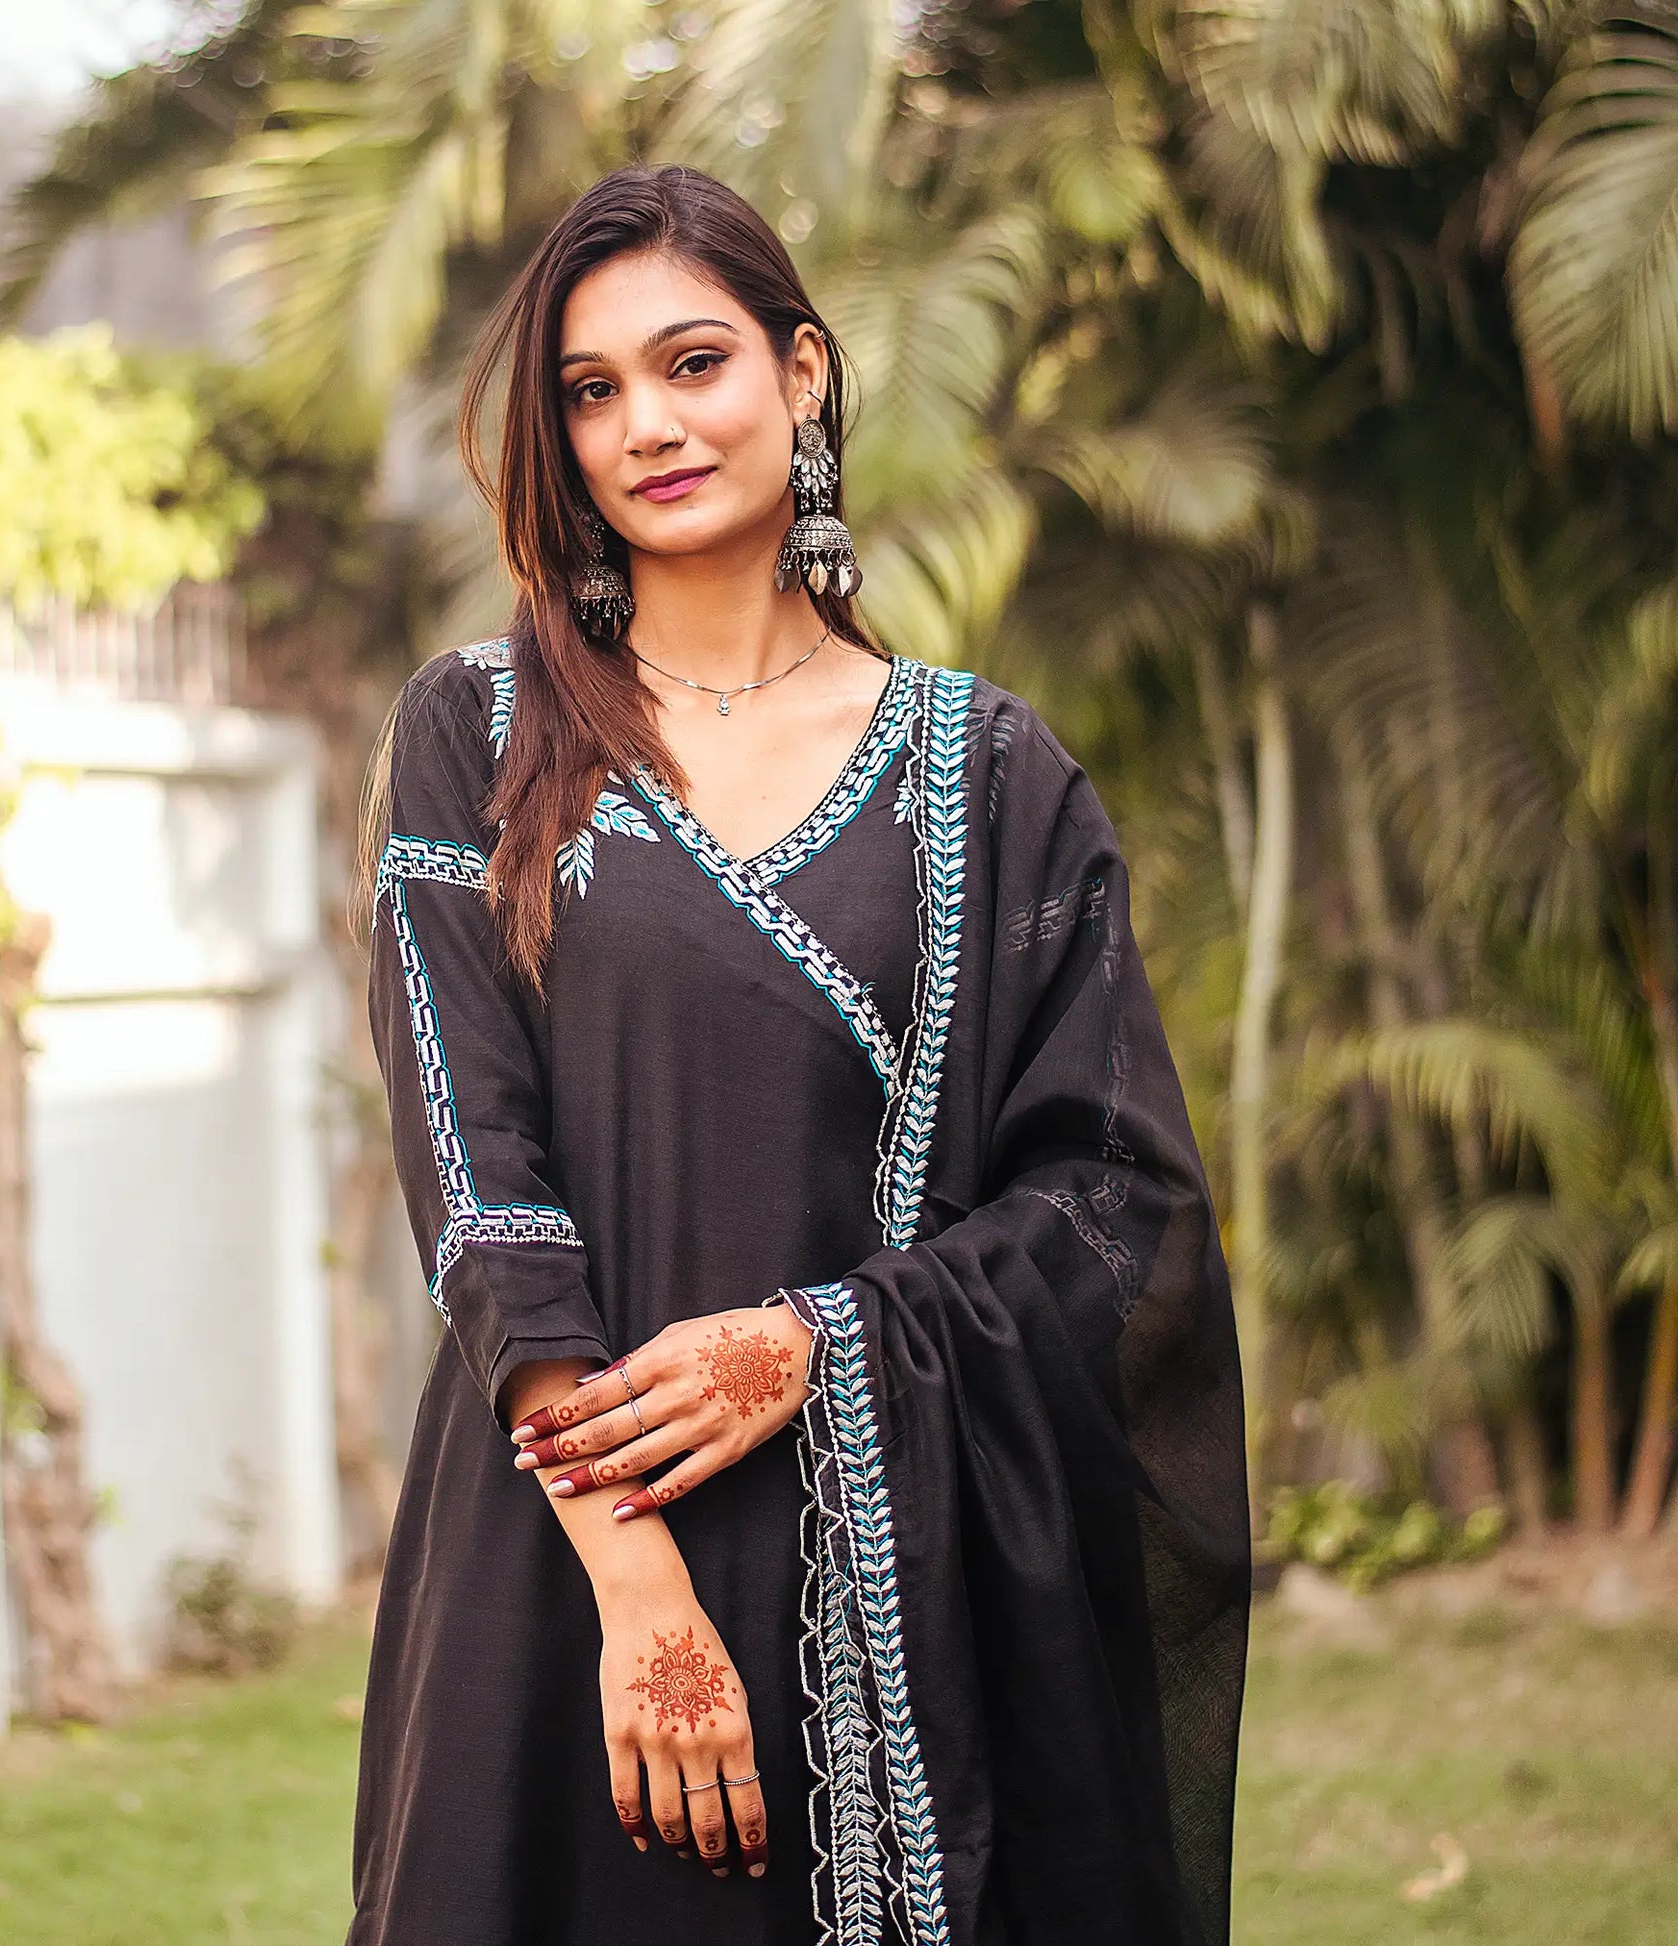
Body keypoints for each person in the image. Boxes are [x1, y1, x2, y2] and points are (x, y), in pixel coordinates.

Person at [344, 164, 1250, 1946]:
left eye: (693, 363)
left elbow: (1111, 1201)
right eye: (589, 392)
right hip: (562, 1572)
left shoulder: (989, 775)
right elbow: (476, 1177)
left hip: (907, 1590)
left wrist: (806, 1348)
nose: (645, 426)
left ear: (804, 373)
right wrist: (637, 1586)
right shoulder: (487, 733)